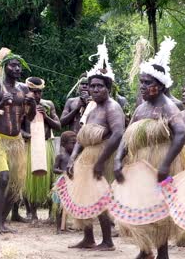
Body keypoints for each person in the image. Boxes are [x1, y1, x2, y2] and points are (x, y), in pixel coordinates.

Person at [113, 37, 185, 259]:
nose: (143, 87)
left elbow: (182, 133)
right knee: (142, 205)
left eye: (148, 83)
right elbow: (128, 136)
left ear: (161, 85)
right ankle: (145, 250)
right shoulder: (141, 108)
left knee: (160, 208)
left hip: (161, 162)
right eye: (142, 82)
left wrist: (165, 165)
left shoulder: (168, 106)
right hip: (140, 164)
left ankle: (162, 253)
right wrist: (119, 159)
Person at [57, 41, 125, 251]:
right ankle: (88, 238)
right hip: (86, 156)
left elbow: (118, 135)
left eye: (99, 86)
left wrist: (101, 161)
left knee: (100, 197)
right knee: (83, 195)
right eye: (92, 85)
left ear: (108, 88)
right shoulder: (91, 107)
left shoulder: (113, 108)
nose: (95, 89)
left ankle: (108, 241)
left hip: (102, 156)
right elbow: (81, 134)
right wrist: (73, 157)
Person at [0, 52, 36, 234]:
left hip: (17, 142)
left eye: (19, 66)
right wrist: (0, 104)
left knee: (16, 183)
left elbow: (30, 117)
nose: (17, 68)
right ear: (4, 67)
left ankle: (3, 221)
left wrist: (33, 104)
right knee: (3, 178)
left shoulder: (24, 89)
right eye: (13, 65)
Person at [23, 76, 61, 222]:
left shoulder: (48, 105)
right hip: (30, 146)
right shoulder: (22, 105)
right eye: (34, 92)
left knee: (51, 179)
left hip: (47, 145)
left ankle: (52, 214)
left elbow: (58, 126)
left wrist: (46, 117)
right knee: (31, 181)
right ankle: (33, 214)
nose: (37, 95)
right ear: (28, 91)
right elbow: (18, 128)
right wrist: (29, 136)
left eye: (39, 92)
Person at [53, 131, 76, 233]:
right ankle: (59, 228)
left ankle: (64, 226)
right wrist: (63, 172)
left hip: (72, 183)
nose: (75, 145)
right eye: (72, 143)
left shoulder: (75, 157)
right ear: (63, 144)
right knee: (59, 206)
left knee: (68, 206)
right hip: (61, 183)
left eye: (76, 143)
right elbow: (54, 169)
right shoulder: (60, 156)